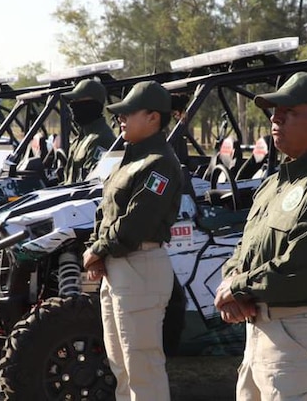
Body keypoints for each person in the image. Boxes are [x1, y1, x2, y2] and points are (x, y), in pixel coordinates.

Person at [214, 72, 307, 400]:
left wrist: (237, 287)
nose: (275, 118)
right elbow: (247, 247)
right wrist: (231, 287)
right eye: (274, 111)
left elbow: (305, 268)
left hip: (298, 334)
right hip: (260, 330)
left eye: (290, 112)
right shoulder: (275, 182)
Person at [82, 80, 183, 401]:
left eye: (128, 112)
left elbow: (137, 222)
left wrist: (98, 250)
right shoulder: (132, 157)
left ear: (153, 117)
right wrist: (98, 250)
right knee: (121, 364)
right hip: (119, 267)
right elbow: (105, 211)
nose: (120, 119)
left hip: (141, 266)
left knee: (142, 366)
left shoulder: (160, 163)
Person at [62, 78, 116, 183]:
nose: (72, 105)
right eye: (72, 101)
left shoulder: (102, 139)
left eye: (78, 101)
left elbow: (93, 184)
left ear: (93, 104)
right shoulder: (80, 139)